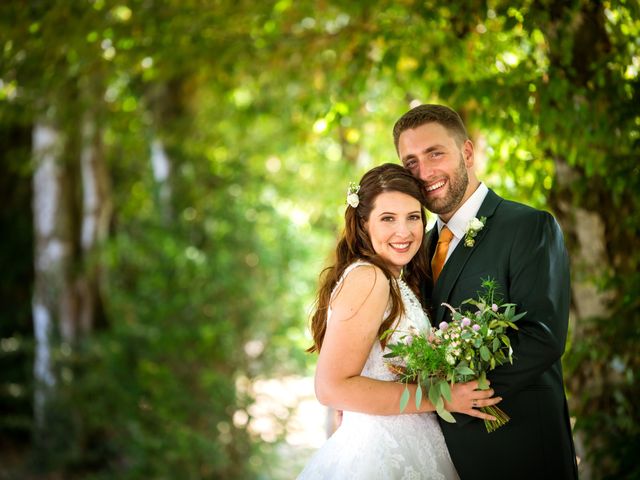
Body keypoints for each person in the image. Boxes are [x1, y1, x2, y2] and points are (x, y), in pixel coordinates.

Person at [393, 104, 579, 480]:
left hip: (520, 450)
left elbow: (542, 337)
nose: (424, 172)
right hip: (441, 457)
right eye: (410, 162)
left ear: (467, 152)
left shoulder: (529, 227)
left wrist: (456, 395)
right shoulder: (417, 250)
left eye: (435, 153)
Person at [298, 163, 502, 480]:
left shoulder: (393, 279)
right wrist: (443, 396)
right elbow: (331, 387)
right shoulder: (370, 278)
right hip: (380, 453)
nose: (404, 232)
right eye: (388, 219)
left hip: (412, 444)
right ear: (364, 224)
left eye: (413, 217)